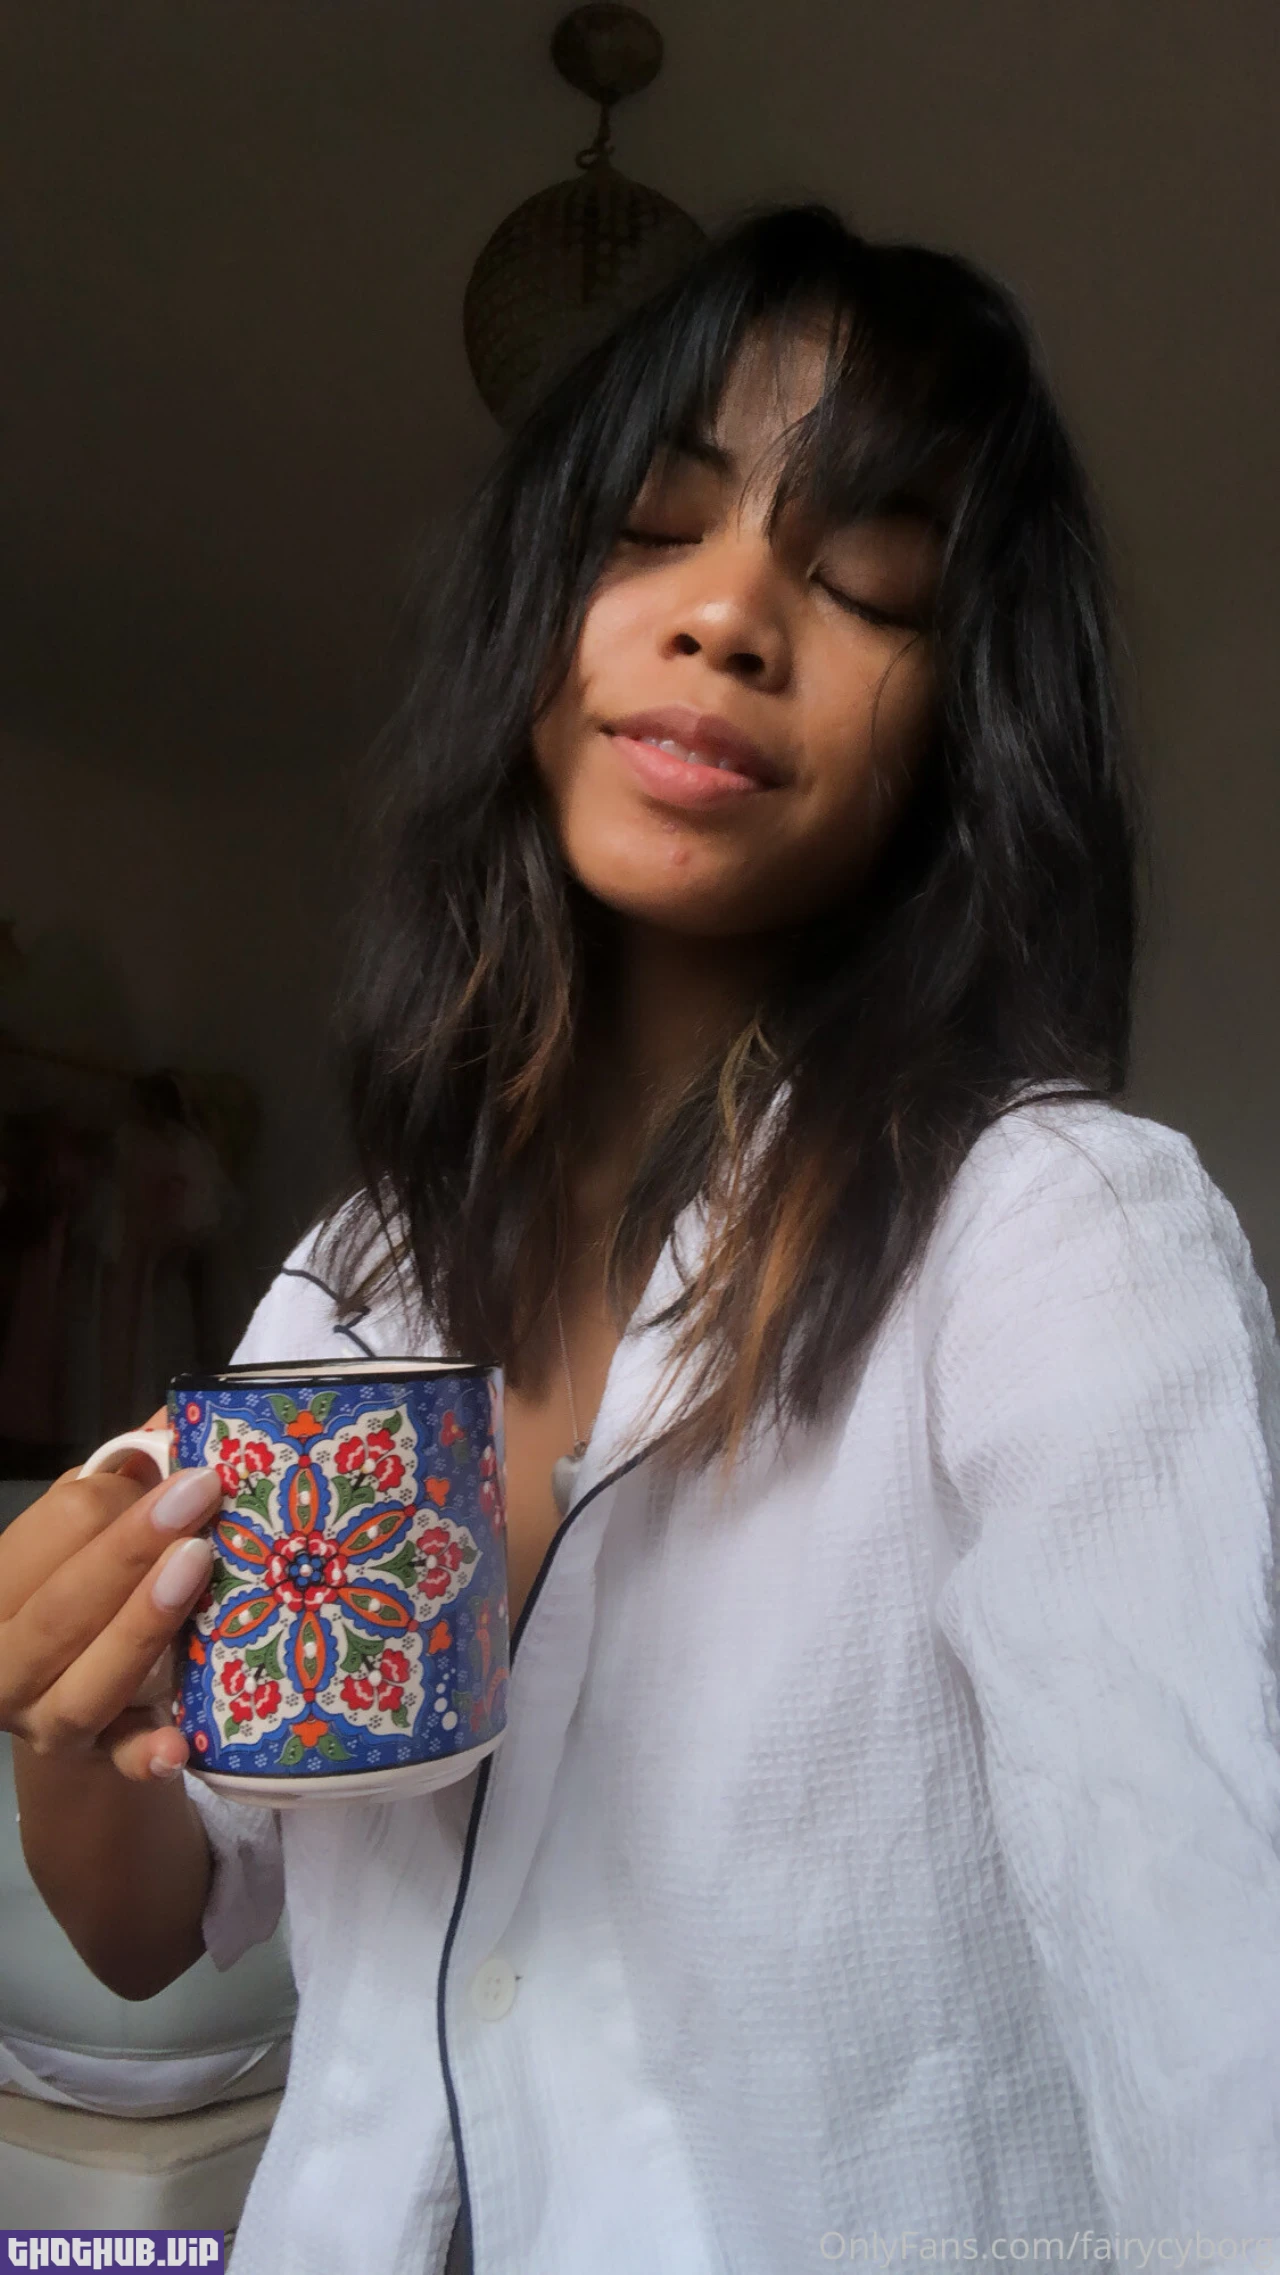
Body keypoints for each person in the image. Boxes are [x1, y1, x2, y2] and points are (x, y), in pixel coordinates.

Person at [3, 207, 1279, 2273]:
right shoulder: (354, 1274)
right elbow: (161, 1920)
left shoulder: (1049, 1243)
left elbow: (1220, 2057)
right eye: (653, 533)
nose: (731, 617)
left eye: (868, 582)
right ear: (536, 622)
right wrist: (67, 1715)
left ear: (964, 721)